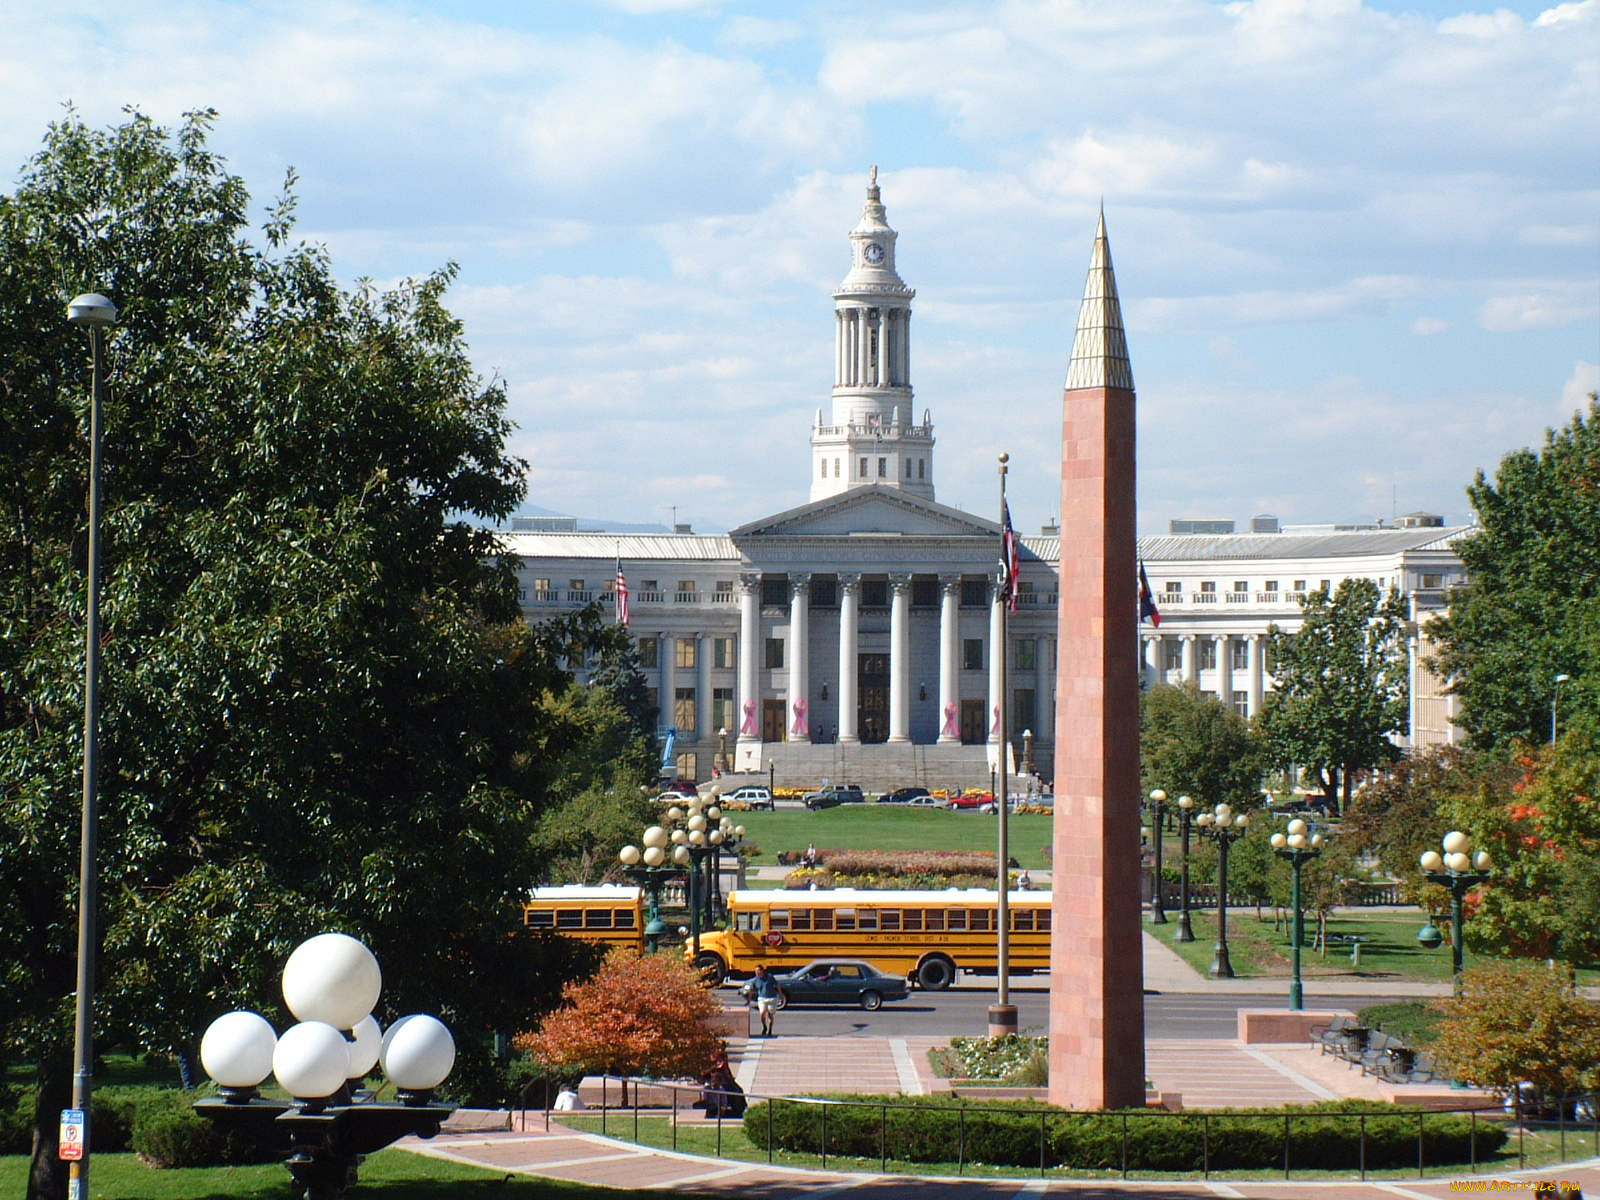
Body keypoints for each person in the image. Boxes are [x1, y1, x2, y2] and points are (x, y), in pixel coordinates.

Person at [750, 963, 781, 1037]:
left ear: (762, 971)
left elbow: (777, 984)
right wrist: (749, 999)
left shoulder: (769, 977)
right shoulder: (755, 980)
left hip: (772, 998)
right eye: (756, 971)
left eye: (758, 971)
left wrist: (780, 994)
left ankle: (770, 1029)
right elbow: (751, 989)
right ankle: (764, 1026)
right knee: (762, 1013)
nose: (757, 973)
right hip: (762, 998)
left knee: (770, 1015)